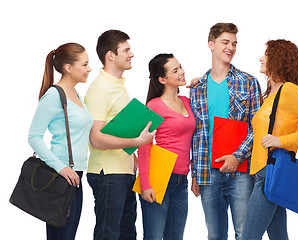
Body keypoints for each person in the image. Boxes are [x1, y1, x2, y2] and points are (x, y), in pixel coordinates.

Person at [241, 39, 298, 240]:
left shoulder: (289, 91)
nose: (260, 59)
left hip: (270, 173)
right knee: (279, 236)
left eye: (266, 55)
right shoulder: (272, 94)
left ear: (277, 60)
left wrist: (280, 141)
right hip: (263, 173)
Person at [189, 23, 262, 240]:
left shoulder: (248, 82)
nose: (231, 47)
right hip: (208, 173)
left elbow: (257, 127)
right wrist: (195, 174)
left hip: (240, 171)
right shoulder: (198, 87)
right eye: (225, 42)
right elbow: (197, 135)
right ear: (211, 45)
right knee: (215, 235)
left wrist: (237, 156)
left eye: (234, 43)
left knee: (245, 234)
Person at [84, 30, 155, 240]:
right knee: (109, 234)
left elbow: (115, 130)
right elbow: (95, 138)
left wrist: (132, 156)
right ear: (110, 55)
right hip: (108, 173)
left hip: (123, 173)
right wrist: (137, 141)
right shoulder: (99, 89)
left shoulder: (118, 86)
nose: (131, 54)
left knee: (127, 233)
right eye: (126, 50)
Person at [28, 43, 93, 240]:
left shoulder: (75, 94)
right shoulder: (54, 95)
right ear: (68, 68)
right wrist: (61, 168)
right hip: (61, 177)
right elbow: (34, 137)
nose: (89, 68)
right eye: (85, 64)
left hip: (76, 176)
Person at [137, 54, 196, 240]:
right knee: (154, 237)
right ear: (162, 79)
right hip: (158, 178)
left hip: (181, 180)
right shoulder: (154, 105)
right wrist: (146, 185)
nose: (182, 72)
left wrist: (200, 83)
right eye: (175, 70)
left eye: (181, 67)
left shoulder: (187, 102)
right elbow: (144, 147)